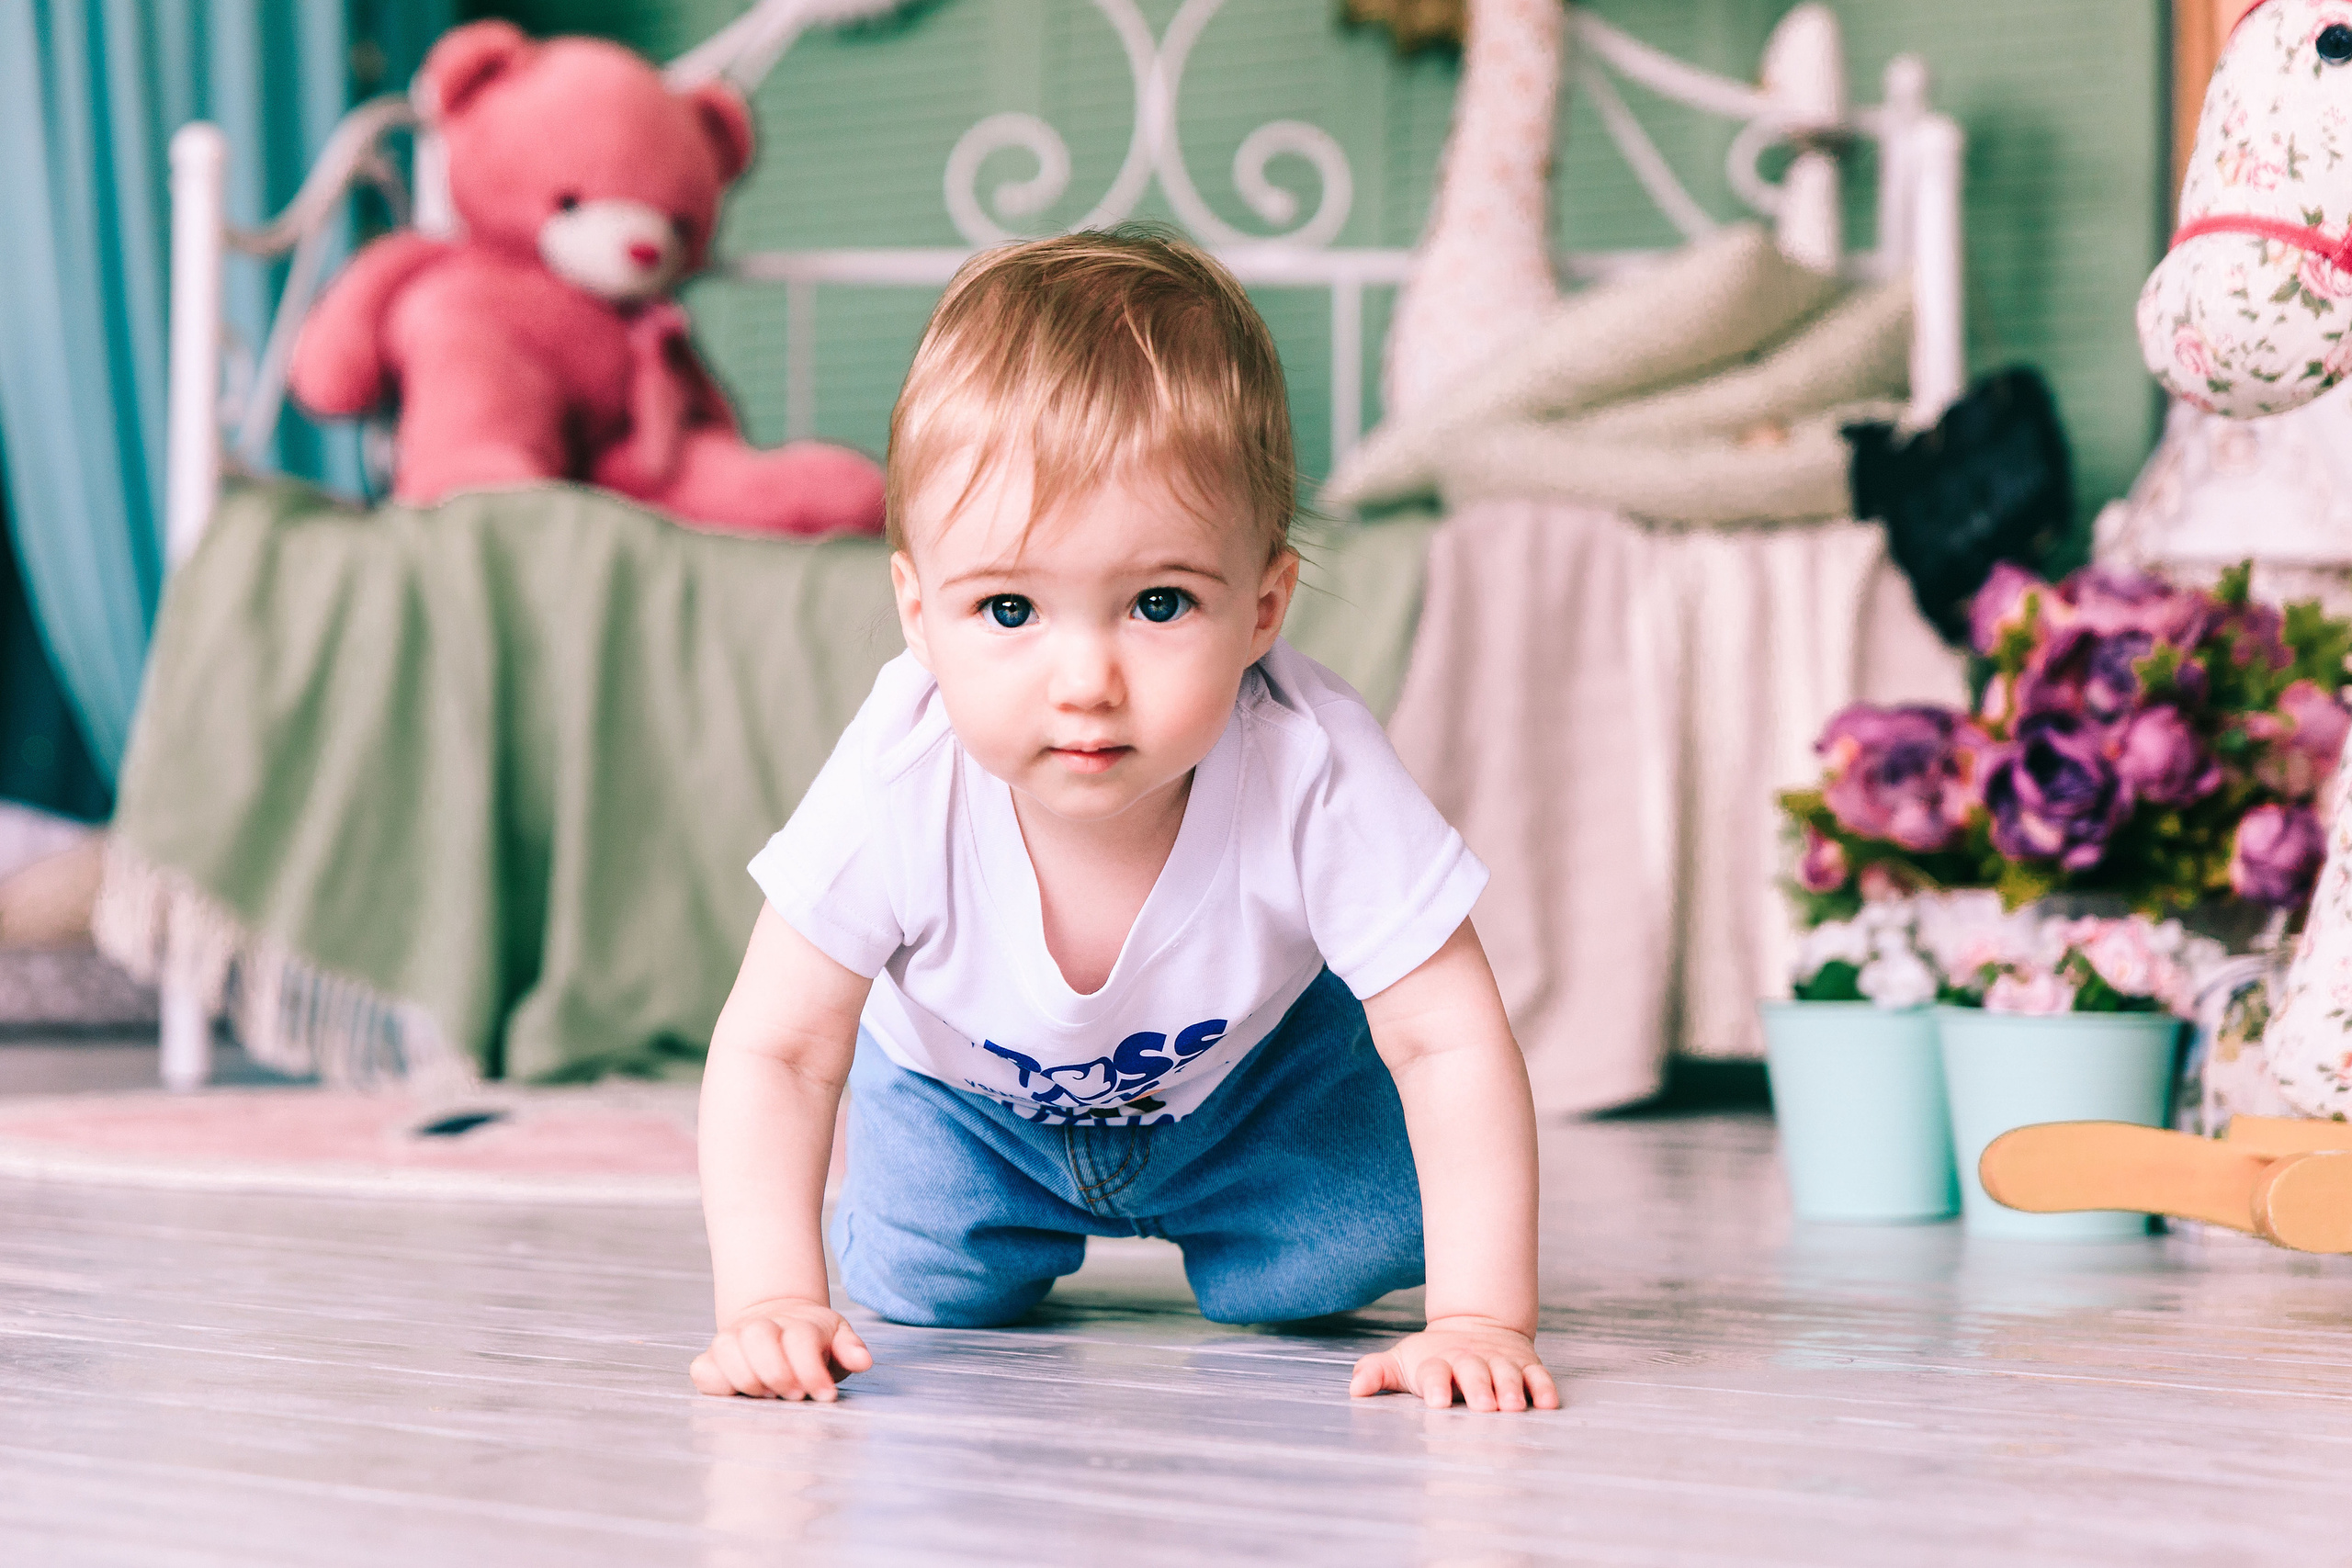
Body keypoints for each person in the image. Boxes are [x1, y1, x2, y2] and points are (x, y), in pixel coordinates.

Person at [690, 227, 1556, 1414]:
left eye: (1158, 603)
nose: (1085, 678)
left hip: (1250, 1101)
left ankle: (1263, 1240)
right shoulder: (902, 778)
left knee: (1349, 1256)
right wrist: (768, 1301)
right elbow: (778, 1048)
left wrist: (1479, 1319)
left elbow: (1447, 1037)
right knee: (913, 1289)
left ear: (1262, 608)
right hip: (967, 1113)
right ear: (917, 612)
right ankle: (972, 1239)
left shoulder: (1310, 766)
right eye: (1008, 607)